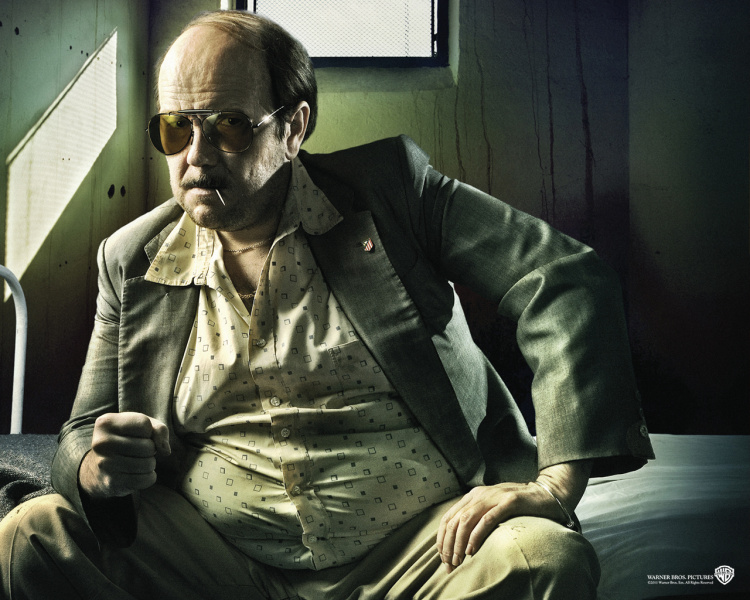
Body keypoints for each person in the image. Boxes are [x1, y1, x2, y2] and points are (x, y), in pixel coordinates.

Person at [0, 10, 654, 600]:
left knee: (544, 563)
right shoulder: (131, 259)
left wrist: (554, 485)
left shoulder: (393, 194)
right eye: (176, 127)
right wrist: (94, 467)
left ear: (294, 127)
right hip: (217, 563)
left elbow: (562, 277)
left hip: (424, 554)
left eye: (228, 126)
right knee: (29, 535)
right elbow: (82, 430)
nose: (194, 157)